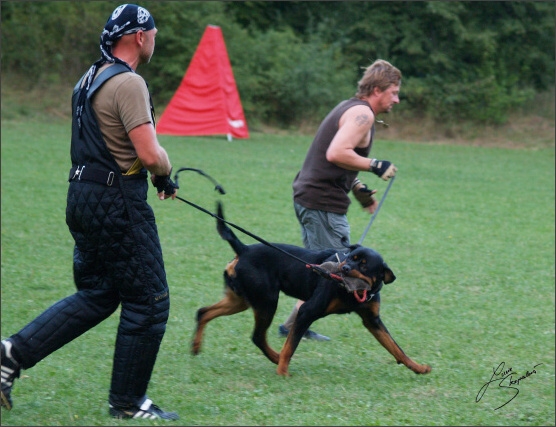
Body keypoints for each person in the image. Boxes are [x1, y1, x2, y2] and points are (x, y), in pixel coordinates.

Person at [1, 4, 180, 420]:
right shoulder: (129, 82)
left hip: (81, 196)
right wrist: (165, 174)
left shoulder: (87, 78)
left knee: (100, 294)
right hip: (116, 201)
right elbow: (150, 153)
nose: (155, 40)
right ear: (139, 36)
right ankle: (128, 403)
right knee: (150, 301)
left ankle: (11, 354)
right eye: (152, 33)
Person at [278, 59, 401, 341]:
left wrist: (357, 186)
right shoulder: (363, 114)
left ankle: (293, 323)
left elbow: (334, 160)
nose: (397, 99)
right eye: (393, 91)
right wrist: (375, 164)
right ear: (378, 89)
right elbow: (336, 152)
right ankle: (296, 325)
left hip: (312, 196)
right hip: (322, 202)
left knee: (322, 267)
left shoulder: (350, 107)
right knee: (338, 271)